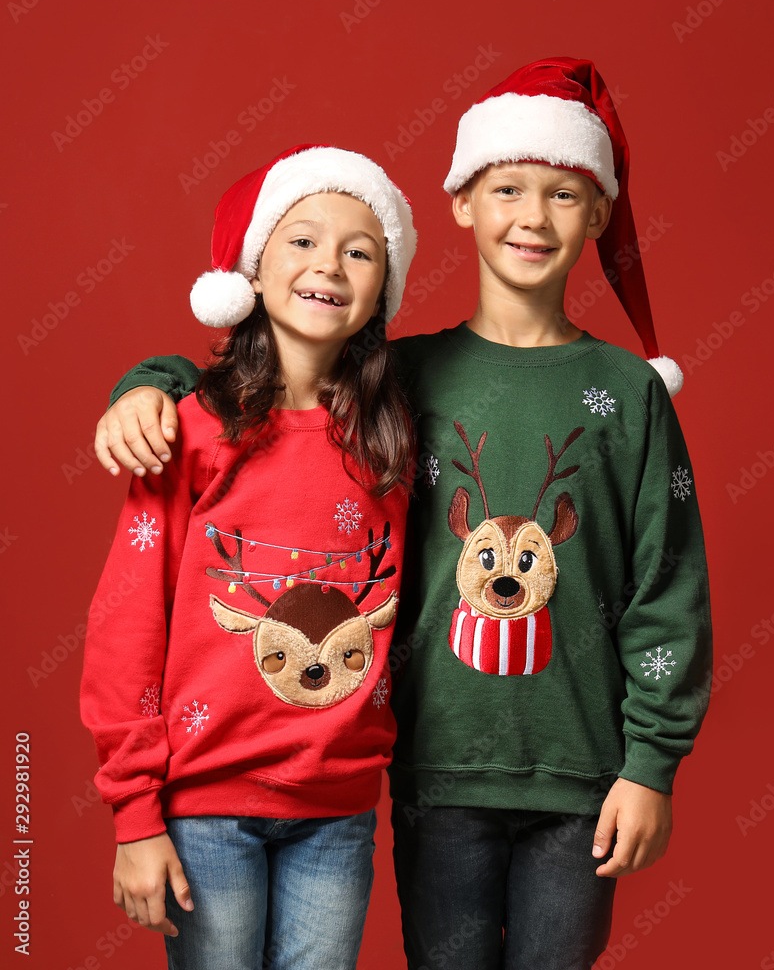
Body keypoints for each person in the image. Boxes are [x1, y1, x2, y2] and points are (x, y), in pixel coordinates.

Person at [93, 59, 712, 969]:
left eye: (564, 195)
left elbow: (669, 584)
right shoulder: (395, 384)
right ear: (462, 202)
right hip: (428, 770)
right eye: (507, 188)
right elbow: (265, 380)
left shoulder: (622, 393)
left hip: (574, 775)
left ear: (599, 214)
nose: (532, 218)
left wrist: (650, 762)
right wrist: (148, 385)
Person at [81, 143, 417, 970]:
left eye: (359, 249)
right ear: (252, 274)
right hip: (205, 809)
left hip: (336, 810)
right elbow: (126, 626)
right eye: (301, 240)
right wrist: (134, 814)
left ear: (381, 290)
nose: (328, 265)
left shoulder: (397, 436)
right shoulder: (186, 430)